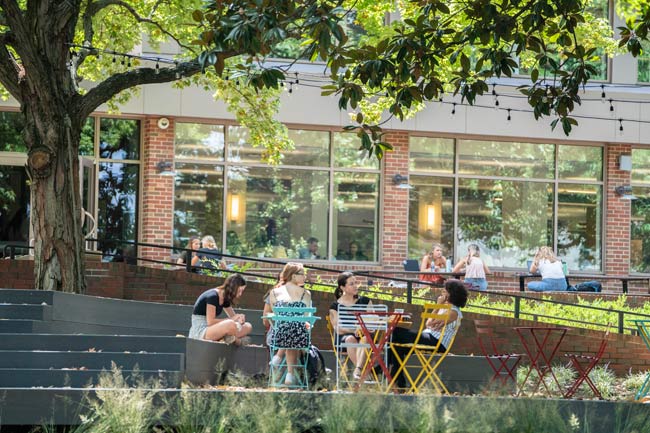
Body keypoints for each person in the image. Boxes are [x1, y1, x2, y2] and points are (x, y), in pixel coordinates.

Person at [388, 279, 469, 390]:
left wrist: (438, 305)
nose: (442, 294)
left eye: (444, 292)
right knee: (397, 346)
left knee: (395, 332)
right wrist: (438, 307)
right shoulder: (444, 308)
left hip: (437, 342)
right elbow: (429, 324)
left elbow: (429, 323)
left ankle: (382, 369)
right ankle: (400, 384)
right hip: (429, 337)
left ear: (452, 294)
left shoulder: (453, 312)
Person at [263, 262, 312, 385]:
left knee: (288, 327)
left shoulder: (274, 292)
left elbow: (276, 314)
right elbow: (305, 316)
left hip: (278, 337)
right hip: (300, 337)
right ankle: (290, 375)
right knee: (295, 328)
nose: (305, 277)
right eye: (302, 274)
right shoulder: (306, 294)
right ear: (294, 276)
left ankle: (279, 360)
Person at [329, 272, 372, 380]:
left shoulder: (365, 301)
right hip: (344, 337)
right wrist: (353, 330)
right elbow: (338, 328)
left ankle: (358, 371)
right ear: (342, 287)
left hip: (363, 335)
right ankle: (366, 374)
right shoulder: (335, 306)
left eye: (356, 283)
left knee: (365, 339)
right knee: (350, 339)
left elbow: (372, 321)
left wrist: (362, 328)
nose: (355, 286)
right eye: (351, 284)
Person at [188, 274, 253, 345]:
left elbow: (234, 318)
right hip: (202, 330)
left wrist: (240, 319)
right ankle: (236, 341)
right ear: (234, 287)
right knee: (230, 324)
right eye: (240, 290)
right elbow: (210, 322)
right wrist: (232, 319)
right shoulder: (213, 296)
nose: (240, 294)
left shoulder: (225, 298)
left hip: (214, 329)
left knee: (248, 326)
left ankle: (228, 337)